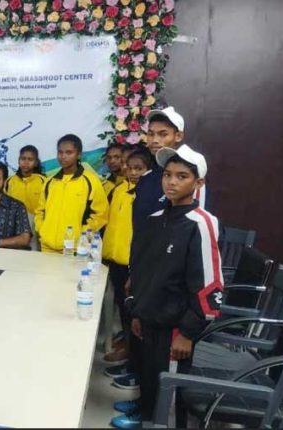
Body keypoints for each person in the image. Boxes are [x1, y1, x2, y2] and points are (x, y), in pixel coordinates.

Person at [111, 145, 223, 428]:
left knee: (168, 389)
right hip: (149, 316)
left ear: (198, 183)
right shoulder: (156, 220)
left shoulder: (201, 223)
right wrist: (137, 311)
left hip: (175, 325)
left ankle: (159, 421)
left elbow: (209, 282)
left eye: (182, 176)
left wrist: (187, 332)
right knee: (149, 374)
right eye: (168, 175)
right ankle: (145, 412)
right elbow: (143, 270)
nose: (171, 182)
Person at [101, 148, 153, 367]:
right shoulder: (119, 189)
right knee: (122, 309)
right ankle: (128, 351)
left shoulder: (149, 195)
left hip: (133, 263)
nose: (132, 172)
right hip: (115, 259)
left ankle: (134, 359)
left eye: (138, 168)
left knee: (134, 312)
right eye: (129, 168)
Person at [35, 134, 109, 252]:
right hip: (47, 247)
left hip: (75, 248)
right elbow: (40, 211)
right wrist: (42, 229)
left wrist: (82, 233)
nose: (63, 156)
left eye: (69, 152)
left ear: (79, 155)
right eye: (60, 152)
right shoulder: (50, 181)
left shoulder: (91, 181)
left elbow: (101, 214)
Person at [4, 145, 46, 250]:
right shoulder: (10, 182)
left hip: (35, 225)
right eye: (23, 159)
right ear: (19, 161)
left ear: (36, 162)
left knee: (34, 253)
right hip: (14, 225)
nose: (26, 162)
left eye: (30, 159)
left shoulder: (43, 181)